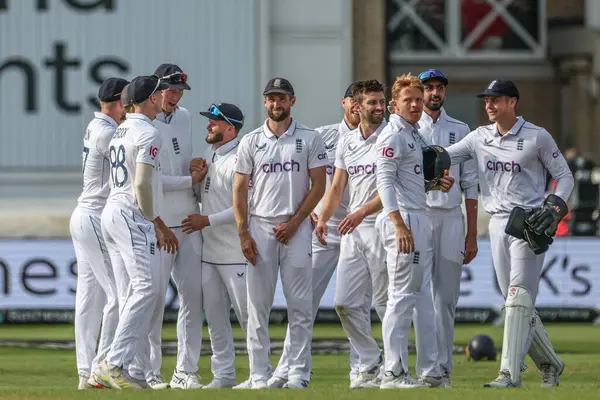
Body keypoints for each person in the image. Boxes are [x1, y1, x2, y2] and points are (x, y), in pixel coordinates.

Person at [444, 79, 574, 388]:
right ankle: (551, 364)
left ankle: (508, 374)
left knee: (518, 299)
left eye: (496, 100)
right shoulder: (479, 137)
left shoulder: (537, 136)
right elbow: (443, 156)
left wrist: (554, 209)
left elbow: (564, 177)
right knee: (515, 304)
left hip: (530, 223)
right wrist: (413, 153)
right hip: (497, 224)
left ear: (512, 103)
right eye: (487, 100)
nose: (489, 105)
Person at [233, 77, 328, 389]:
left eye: (282, 98)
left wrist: (295, 223)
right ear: (265, 102)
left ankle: (298, 373)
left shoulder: (310, 138)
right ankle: (259, 374)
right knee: (256, 308)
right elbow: (239, 191)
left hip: (296, 229)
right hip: (260, 227)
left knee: (300, 306)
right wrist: (244, 232)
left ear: (292, 101)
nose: (277, 104)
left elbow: (319, 186)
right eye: (272, 98)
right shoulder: (250, 141)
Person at [268, 82, 365, 388]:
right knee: (303, 302)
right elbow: (303, 176)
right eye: (354, 101)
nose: (359, 107)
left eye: (365, 102)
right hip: (325, 228)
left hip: (362, 227)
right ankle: (288, 371)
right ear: (344, 102)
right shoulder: (322, 135)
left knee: (355, 304)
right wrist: (308, 210)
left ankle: (362, 371)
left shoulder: (379, 136)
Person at [95, 75, 178, 390]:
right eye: (159, 94)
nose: (163, 99)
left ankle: (128, 367)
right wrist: (158, 222)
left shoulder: (121, 129)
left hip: (113, 213)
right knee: (146, 289)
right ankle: (114, 363)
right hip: (132, 214)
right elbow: (142, 184)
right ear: (152, 99)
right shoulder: (149, 133)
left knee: (132, 292)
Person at [374, 73, 454, 389]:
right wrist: (398, 223)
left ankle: (424, 371)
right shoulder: (393, 134)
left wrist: (434, 183)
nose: (415, 105)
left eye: (418, 100)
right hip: (404, 218)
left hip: (416, 214)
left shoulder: (414, 134)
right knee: (401, 295)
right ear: (395, 104)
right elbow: (384, 181)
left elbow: (411, 178)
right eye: (408, 100)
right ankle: (392, 372)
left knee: (414, 296)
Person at [316, 79, 388, 389]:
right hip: (353, 231)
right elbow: (336, 187)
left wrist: (359, 213)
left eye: (381, 101)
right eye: (372, 102)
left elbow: (392, 190)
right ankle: (372, 359)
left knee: (387, 305)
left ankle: (393, 370)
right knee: (344, 303)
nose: (379, 107)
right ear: (356, 107)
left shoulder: (392, 136)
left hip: (384, 225)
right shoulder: (347, 142)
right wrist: (322, 219)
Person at [415, 69, 479, 387]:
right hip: (420, 216)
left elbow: (470, 186)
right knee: (418, 295)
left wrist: (471, 234)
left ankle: (443, 370)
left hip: (452, 218)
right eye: (429, 88)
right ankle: (425, 367)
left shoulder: (461, 129)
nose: (435, 93)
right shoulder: (409, 128)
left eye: (439, 88)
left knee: (446, 299)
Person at [181, 103, 249, 389]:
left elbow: (243, 207)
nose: (209, 125)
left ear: (231, 128)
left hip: (236, 253)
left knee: (250, 319)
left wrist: (205, 220)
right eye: (210, 120)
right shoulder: (210, 155)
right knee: (216, 320)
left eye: (215, 122)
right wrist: (195, 177)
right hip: (210, 253)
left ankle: (264, 371)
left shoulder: (241, 159)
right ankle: (223, 374)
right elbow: (205, 195)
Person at [147, 63, 206, 390]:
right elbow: (151, 180)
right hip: (159, 224)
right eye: (170, 90)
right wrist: (189, 178)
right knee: (153, 300)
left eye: (179, 90)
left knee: (192, 298)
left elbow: (182, 163)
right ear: (155, 90)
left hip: (187, 220)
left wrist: (193, 167)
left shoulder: (183, 117)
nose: (175, 96)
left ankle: (186, 371)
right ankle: (150, 372)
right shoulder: (142, 123)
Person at [71, 77, 128, 390]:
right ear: (119, 103)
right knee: (118, 295)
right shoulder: (109, 132)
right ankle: (99, 370)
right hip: (94, 217)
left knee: (89, 298)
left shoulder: (95, 126)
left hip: (83, 215)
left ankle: (85, 372)